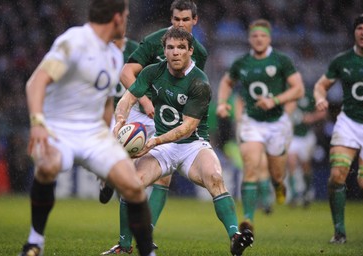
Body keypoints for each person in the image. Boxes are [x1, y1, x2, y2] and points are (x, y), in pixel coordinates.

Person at [18, 1, 155, 256]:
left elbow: (105, 102)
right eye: (125, 15)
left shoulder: (114, 55)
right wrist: (37, 123)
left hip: (94, 134)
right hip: (59, 129)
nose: (127, 20)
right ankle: (34, 242)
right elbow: (36, 82)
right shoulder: (75, 42)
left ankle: (148, 253)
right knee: (47, 166)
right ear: (116, 18)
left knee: (134, 186)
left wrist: (107, 141)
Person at [112, 27, 253, 256]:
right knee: (132, 184)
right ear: (164, 50)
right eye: (170, 47)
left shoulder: (200, 82)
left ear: (190, 51)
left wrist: (153, 141)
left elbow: (187, 127)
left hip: (193, 146)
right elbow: (127, 99)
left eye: (180, 48)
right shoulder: (151, 72)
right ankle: (124, 245)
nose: (175, 52)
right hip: (163, 147)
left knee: (215, 179)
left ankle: (235, 236)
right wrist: (120, 120)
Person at [100, 0, 208, 253]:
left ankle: (143, 235)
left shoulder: (199, 53)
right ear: (171, 19)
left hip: (166, 119)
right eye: (176, 19)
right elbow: (127, 72)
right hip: (141, 112)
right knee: (128, 174)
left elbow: (190, 91)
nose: (180, 24)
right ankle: (112, 186)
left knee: (163, 178)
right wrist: (146, 99)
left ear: (195, 21)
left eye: (185, 20)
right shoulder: (154, 40)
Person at [216, 19, 304, 229]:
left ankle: (278, 185)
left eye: (262, 36)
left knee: (276, 173)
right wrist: (222, 103)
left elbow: (298, 89)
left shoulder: (282, 60)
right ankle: (248, 219)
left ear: (269, 38)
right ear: (249, 38)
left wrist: (274, 100)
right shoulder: (241, 63)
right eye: (254, 36)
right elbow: (227, 82)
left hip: (277, 123)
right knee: (251, 166)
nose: (258, 39)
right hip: (251, 121)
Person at [314, 13, 363, 244]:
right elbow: (321, 85)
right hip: (349, 122)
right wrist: (320, 97)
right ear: (354, 32)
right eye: (359, 28)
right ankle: (339, 232)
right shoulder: (342, 60)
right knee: (337, 174)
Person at [99, 36, 140, 204]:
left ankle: (115, 183)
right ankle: (109, 179)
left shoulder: (137, 49)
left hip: (131, 110)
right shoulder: (100, 50)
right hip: (107, 109)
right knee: (109, 154)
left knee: (130, 154)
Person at [287, 89, 327, 207]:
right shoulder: (287, 97)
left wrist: (311, 117)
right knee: (291, 163)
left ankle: (307, 191)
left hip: (306, 135)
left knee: (305, 165)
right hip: (293, 136)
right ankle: (294, 194)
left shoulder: (309, 96)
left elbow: (323, 111)